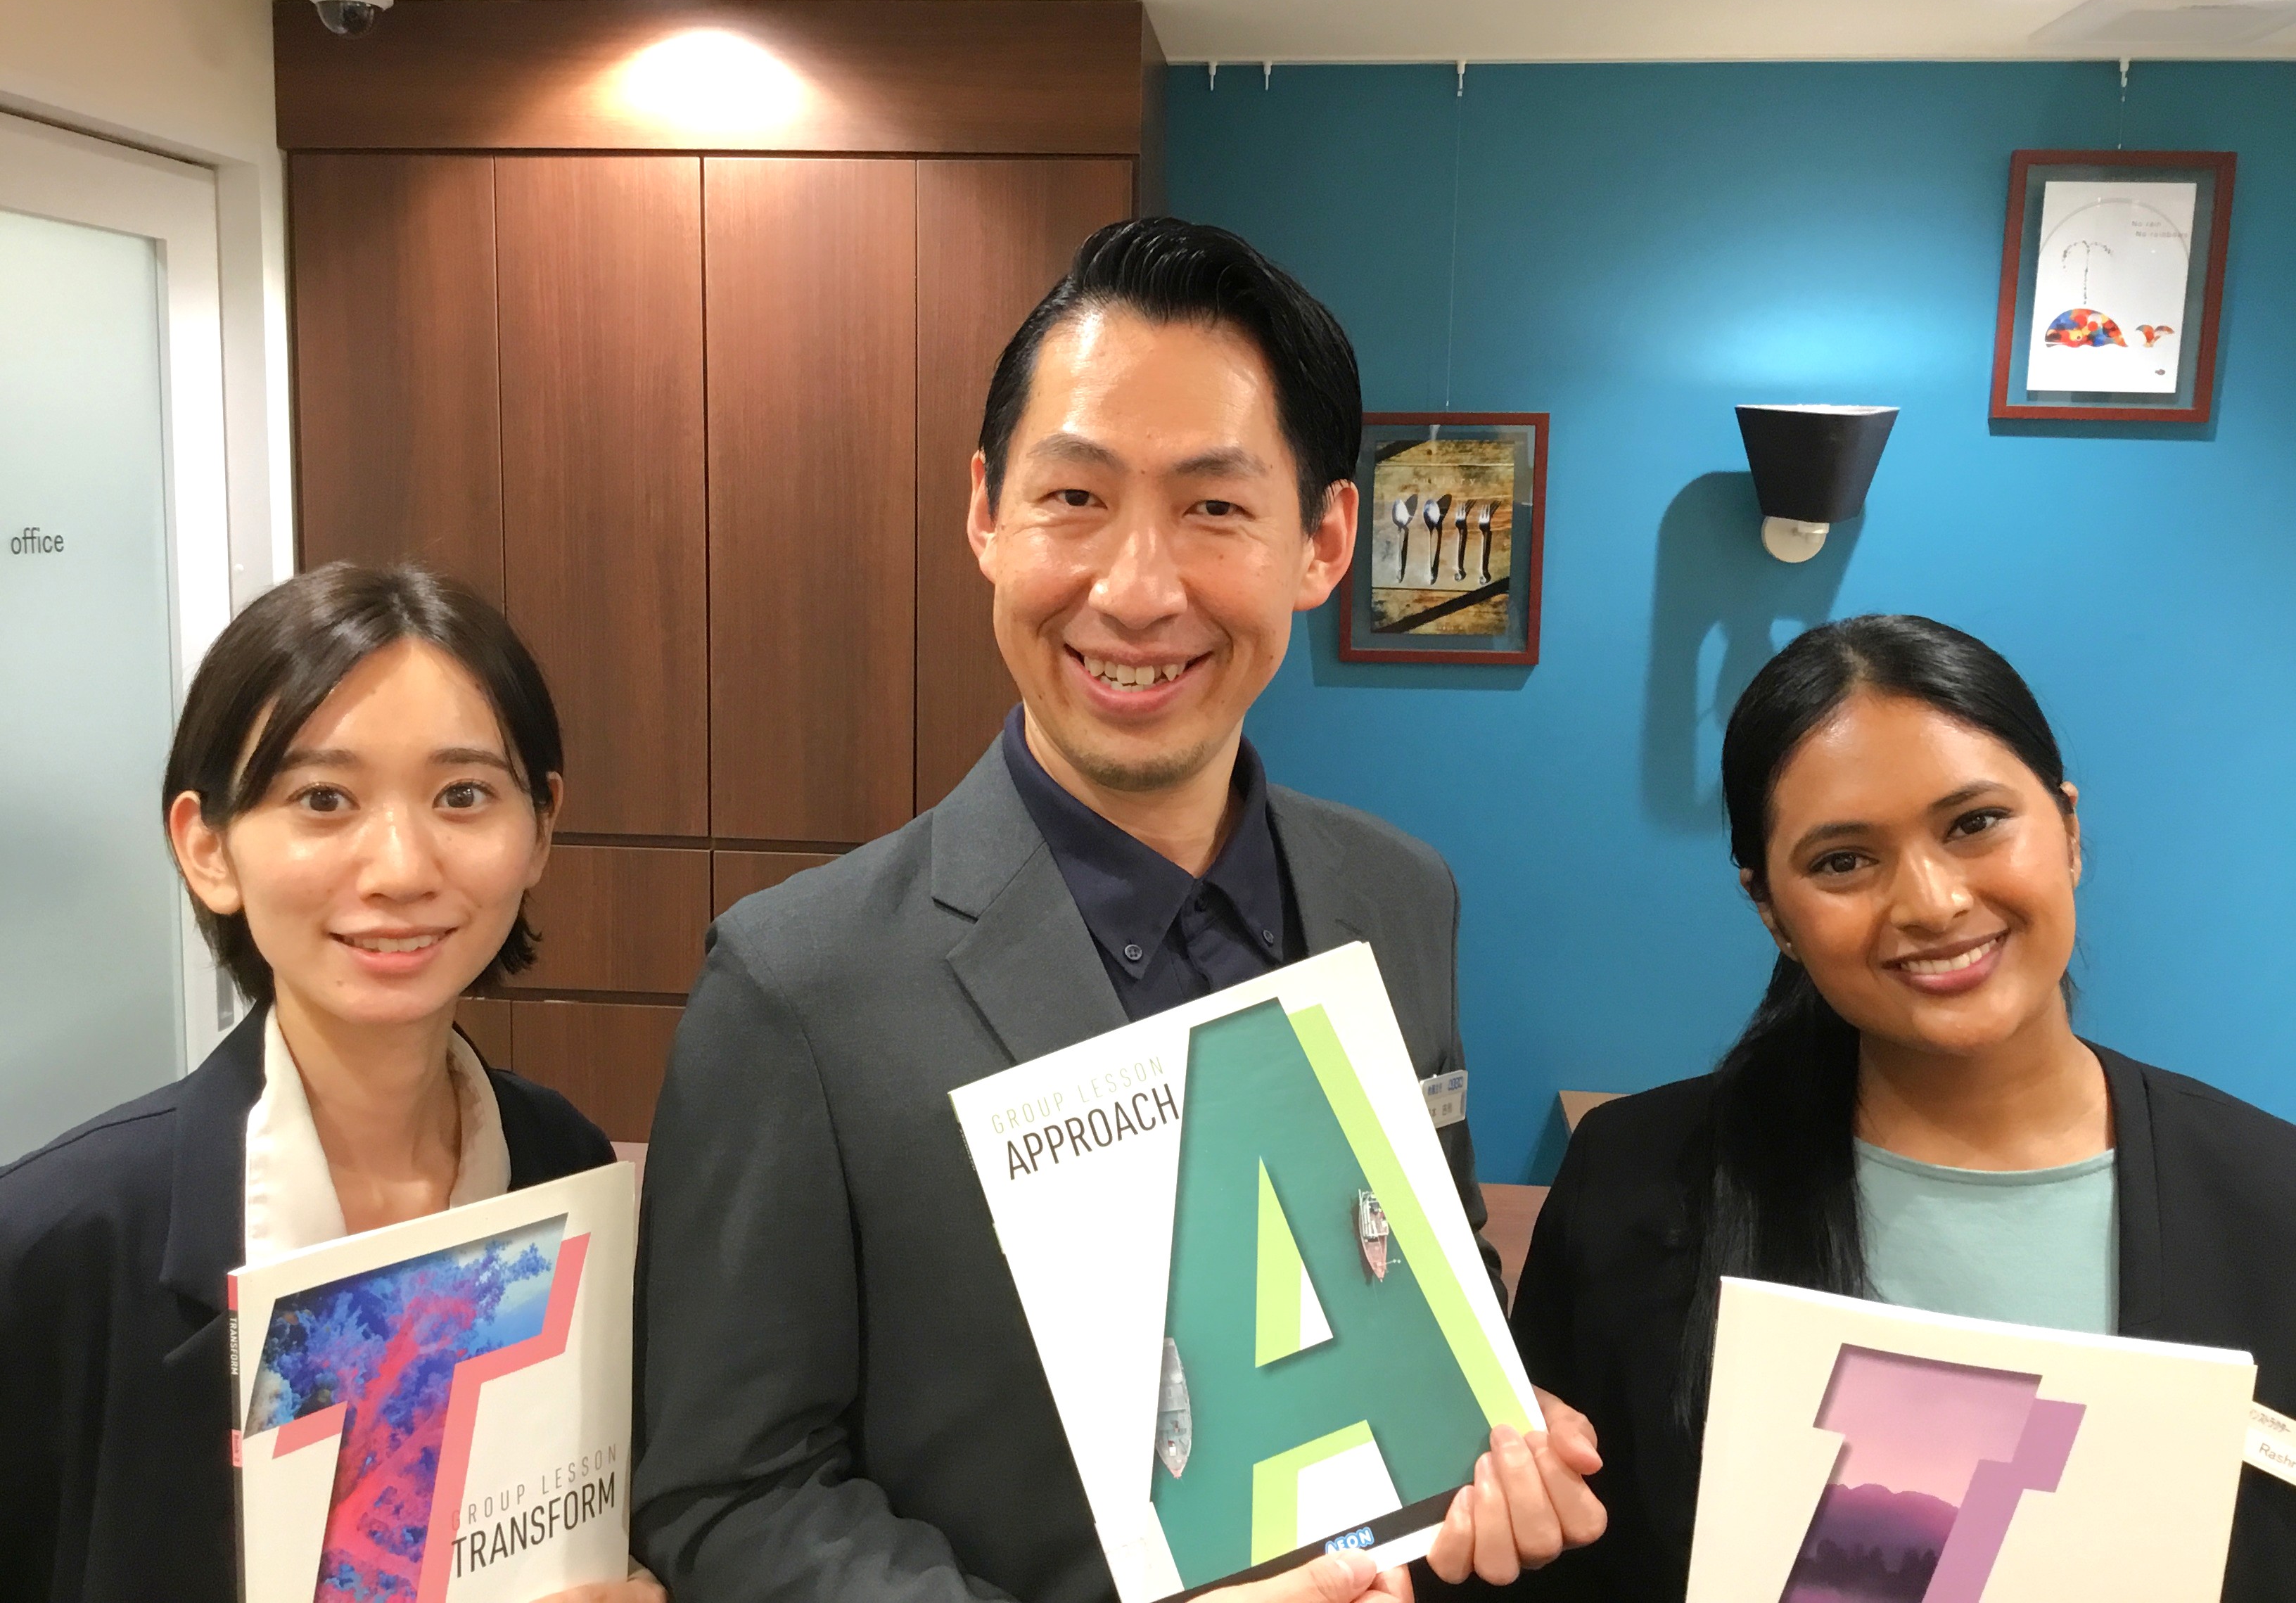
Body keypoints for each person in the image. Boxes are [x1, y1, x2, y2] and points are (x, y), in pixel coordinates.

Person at [632, 217, 1606, 1603]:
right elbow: (727, 1493)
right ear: (987, 513)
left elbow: (1417, 1277)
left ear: (1324, 542)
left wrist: (1488, 1442)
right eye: (1075, 498)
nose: (1136, 591)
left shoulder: (1399, 895)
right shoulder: (796, 988)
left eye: (1216, 508)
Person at [1510, 613, 2296, 1599]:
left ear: (2069, 831)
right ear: (1772, 911)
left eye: (1975, 824)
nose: (1931, 902)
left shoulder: (2272, 1203)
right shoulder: (1637, 1183)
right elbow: (1545, 1559)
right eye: (1843, 861)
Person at [0, 563, 663, 1603]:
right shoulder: (56, 1246)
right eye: (323, 799)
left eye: (463, 795)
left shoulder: (565, 1171)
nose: (401, 868)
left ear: (540, 827)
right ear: (208, 847)